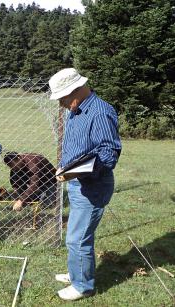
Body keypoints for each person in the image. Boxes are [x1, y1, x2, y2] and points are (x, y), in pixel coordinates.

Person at [49, 68, 122, 301]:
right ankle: (76, 273)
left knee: (78, 238)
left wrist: (74, 172)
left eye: (62, 98)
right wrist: (65, 167)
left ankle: (83, 286)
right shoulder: (76, 110)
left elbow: (108, 155)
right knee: (75, 234)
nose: (60, 104)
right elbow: (77, 147)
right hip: (77, 182)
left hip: (92, 187)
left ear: (76, 91)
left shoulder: (100, 113)